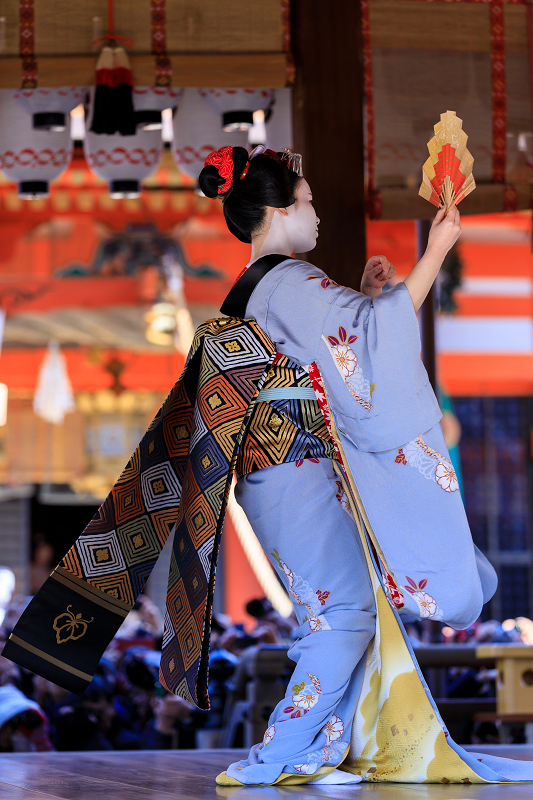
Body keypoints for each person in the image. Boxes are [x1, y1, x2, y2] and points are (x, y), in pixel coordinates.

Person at [195, 145, 532, 786]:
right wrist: (436, 250)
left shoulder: (269, 285)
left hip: (286, 468)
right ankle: (275, 754)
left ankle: (320, 748)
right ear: (277, 209)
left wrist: (372, 298)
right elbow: (370, 342)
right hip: (294, 466)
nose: (316, 213)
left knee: (345, 611)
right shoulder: (287, 280)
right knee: (342, 616)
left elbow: (355, 338)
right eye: (309, 201)